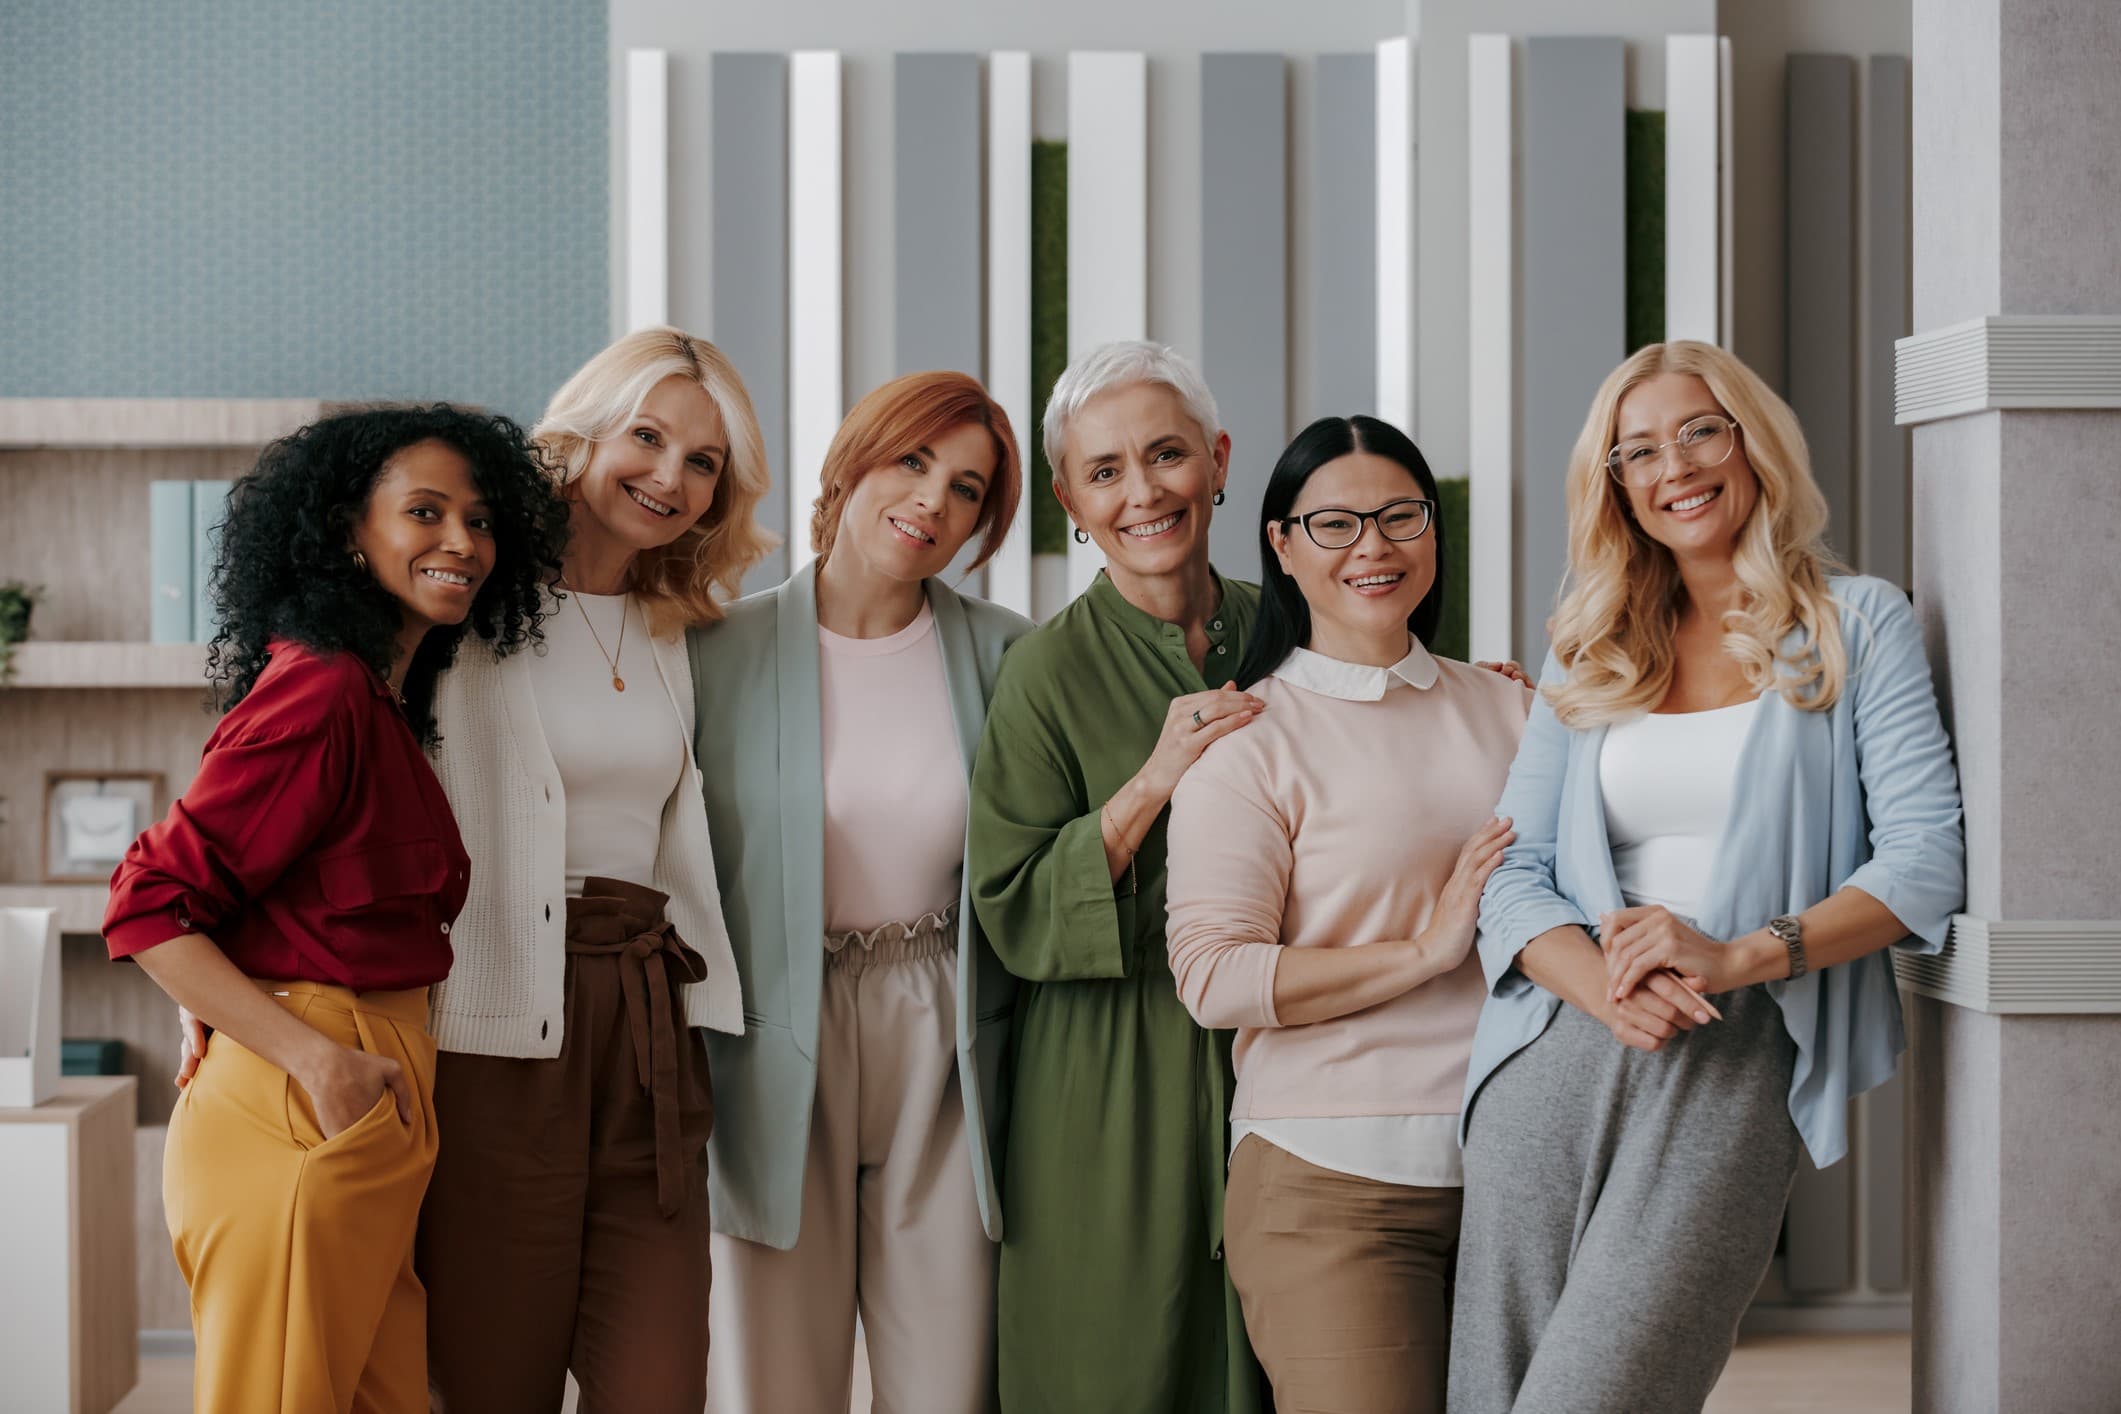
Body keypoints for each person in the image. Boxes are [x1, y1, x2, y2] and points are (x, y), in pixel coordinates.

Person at [1446, 340, 1965, 1414]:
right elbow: (1513, 873)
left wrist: (1735, 956)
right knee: (1493, 1391)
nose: (1673, 466)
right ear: (1616, 486)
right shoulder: (1590, 644)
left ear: (1751, 443)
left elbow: (1923, 858)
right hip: (1555, 1045)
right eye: (1638, 451)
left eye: (1698, 432)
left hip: (1736, 1047)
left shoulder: (1854, 623)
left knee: (1602, 1391)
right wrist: (1604, 991)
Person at [104, 405, 566, 1414]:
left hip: (373, 1088)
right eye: (425, 512)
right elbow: (148, 903)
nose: (462, 542)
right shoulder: (320, 691)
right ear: (347, 532)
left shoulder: (380, 702)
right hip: (308, 1093)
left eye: (481, 520)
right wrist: (315, 1060)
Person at [414, 327, 775, 1412]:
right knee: (492, 1380)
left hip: (649, 1031)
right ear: (585, 435)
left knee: (659, 1382)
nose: (671, 476)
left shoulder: (681, 630)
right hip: (494, 1030)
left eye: (703, 461)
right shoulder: (463, 603)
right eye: (648, 437)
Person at [1165, 414, 1531, 1414]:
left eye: (1400, 515)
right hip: (1332, 1185)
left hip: (1522, 1171)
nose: (1374, 545)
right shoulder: (1249, 742)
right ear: (1281, 545)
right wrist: (1424, 951)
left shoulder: (1513, 711)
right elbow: (1214, 978)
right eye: (1334, 523)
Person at [692, 370, 1030, 1413]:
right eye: (912, 461)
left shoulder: (1010, 656)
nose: (933, 500)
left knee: (948, 1384)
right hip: (769, 1034)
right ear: (849, 466)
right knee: (772, 1384)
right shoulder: (713, 651)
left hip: (944, 1033)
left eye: (967, 488)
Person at [968, 340, 1268, 1413]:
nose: (1142, 492)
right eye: (1104, 471)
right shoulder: (1043, 671)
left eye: (1166, 454)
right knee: (1108, 1361)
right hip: (1105, 1071)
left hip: (1281, 1046)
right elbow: (1009, 901)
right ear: (1070, 501)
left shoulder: (1291, 630)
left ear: (1217, 460)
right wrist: (1150, 783)